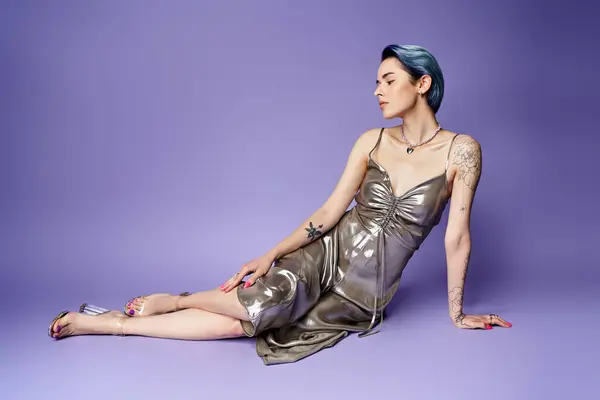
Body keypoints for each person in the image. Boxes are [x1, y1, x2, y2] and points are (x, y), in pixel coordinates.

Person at [48, 44, 512, 365]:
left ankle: (167, 302)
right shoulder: (371, 141)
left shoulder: (462, 151)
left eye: (389, 80)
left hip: (364, 291)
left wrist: (457, 313)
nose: (377, 90)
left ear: (422, 83)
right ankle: (115, 322)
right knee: (259, 305)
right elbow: (330, 213)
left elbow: (457, 237)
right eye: (376, 81)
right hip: (325, 251)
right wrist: (271, 253)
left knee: (246, 323)